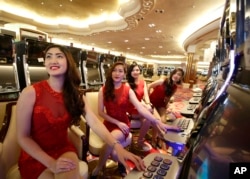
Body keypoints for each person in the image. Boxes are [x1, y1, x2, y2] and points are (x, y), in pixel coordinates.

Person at [16, 44, 146, 179]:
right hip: (35, 154)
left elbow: (94, 122)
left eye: (59, 56)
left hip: (63, 148)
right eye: (48, 57)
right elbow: (22, 137)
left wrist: (117, 146)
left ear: (68, 62)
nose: (53, 60)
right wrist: (51, 163)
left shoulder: (76, 95)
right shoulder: (30, 92)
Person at [91, 61, 171, 177]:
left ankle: (98, 169)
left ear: (124, 74)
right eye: (115, 70)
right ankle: (120, 163)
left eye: (120, 71)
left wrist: (155, 120)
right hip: (109, 123)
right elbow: (100, 112)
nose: (117, 73)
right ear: (110, 73)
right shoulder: (102, 90)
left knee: (110, 141)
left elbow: (139, 107)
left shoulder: (127, 89)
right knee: (114, 153)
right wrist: (116, 122)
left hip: (123, 124)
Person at [148, 67, 185, 146]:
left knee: (163, 120)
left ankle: (159, 137)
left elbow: (167, 99)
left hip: (161, 104)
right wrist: (147, 100)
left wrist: (165, 108)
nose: (176, 76)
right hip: (152, 103)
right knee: (157, 120)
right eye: (175, 73)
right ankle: (154, 139)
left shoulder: (174, 87)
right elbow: (149, 86)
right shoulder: (162, 81)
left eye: (179, 75)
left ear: (180, 78)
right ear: (172, 73)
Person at [126, 62, 156, 151]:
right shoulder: (128, 84)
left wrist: (148, 104)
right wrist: (146, 107)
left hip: (141, 109)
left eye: (137, 70)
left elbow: (146, 96)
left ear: (140, 71)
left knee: (147, 120)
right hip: (131, 109)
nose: (135, 72)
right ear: (130, 72)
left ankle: (140, 141)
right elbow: (133, 100)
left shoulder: (143, 82)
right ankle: (158, 132)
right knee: (150, 114)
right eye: (133, 70)